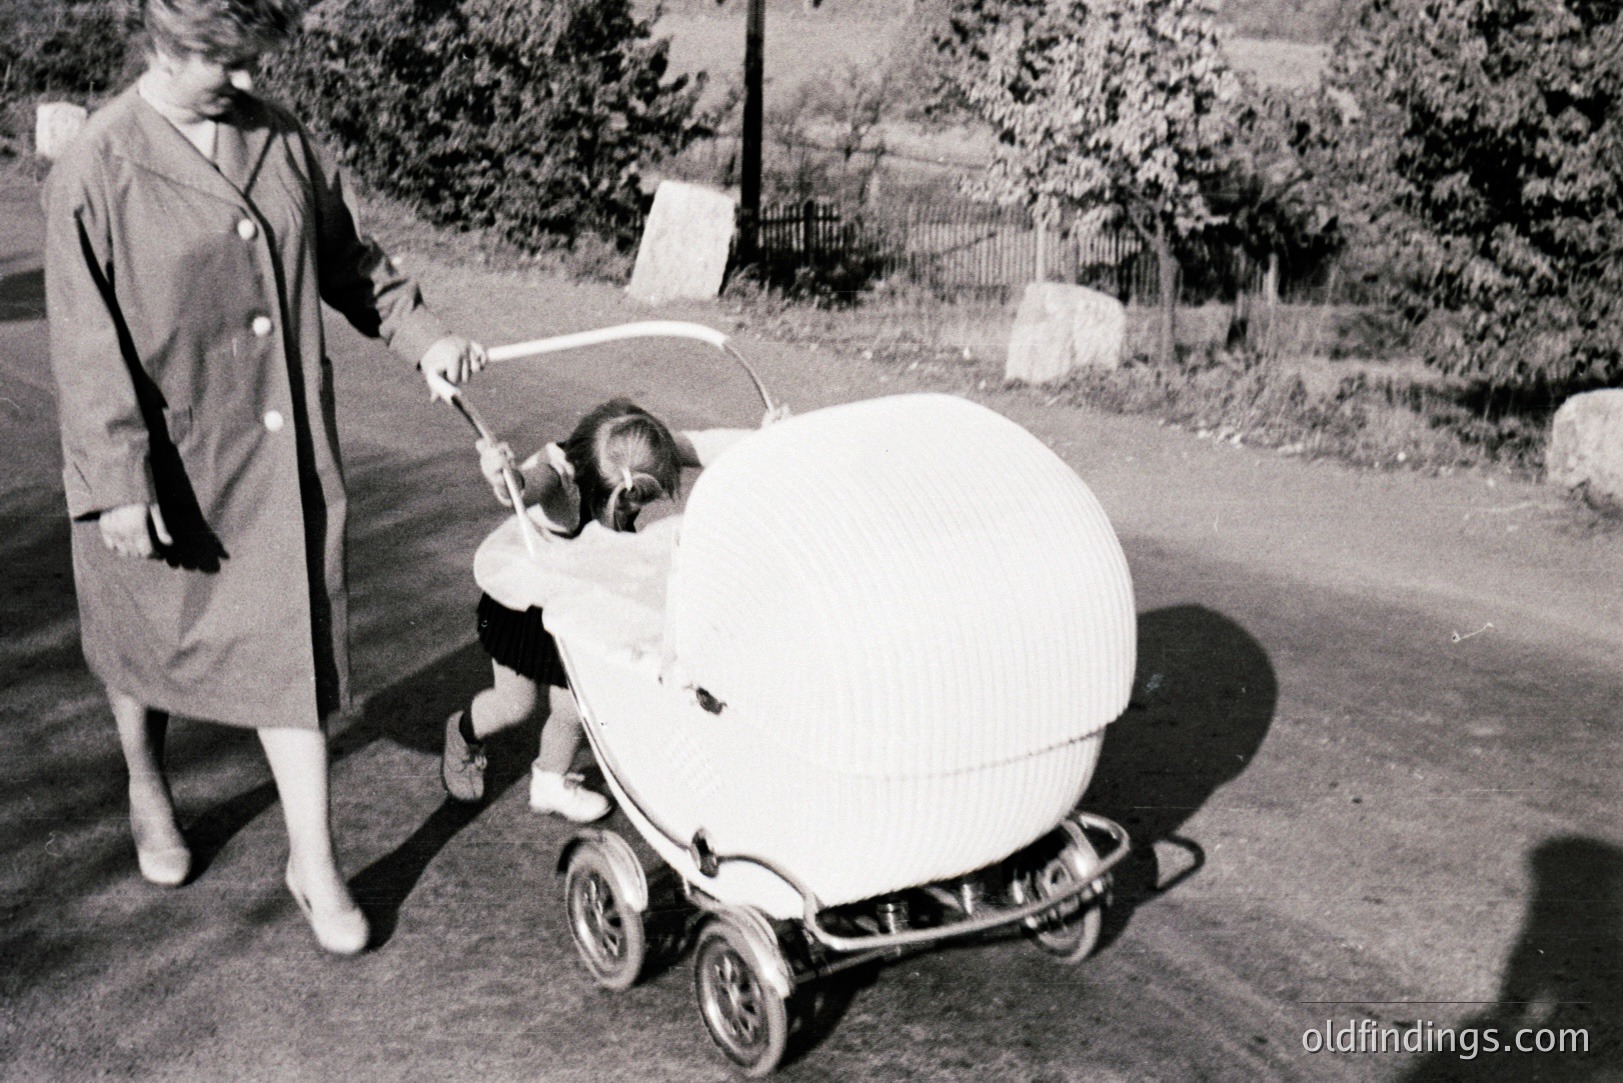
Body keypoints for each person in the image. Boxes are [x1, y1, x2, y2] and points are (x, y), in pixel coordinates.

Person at [43, 0, 487, 956]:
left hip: (273, 459)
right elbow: (84, 346)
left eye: (253, 60)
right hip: (164, 459)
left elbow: (345, 257)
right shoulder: (97, 166)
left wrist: (423, 334)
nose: (245, 83)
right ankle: (145, 782)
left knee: (291, 654)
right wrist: (117, 481)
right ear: (164, 41)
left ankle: (312, 861)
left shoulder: (276, 135)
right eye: (224, 61)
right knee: (142, 634)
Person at [442, 398, 778, 816]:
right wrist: (503, 475)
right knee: (515, 706)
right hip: (526, 605)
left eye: (639, 501)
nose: (631, 512)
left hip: (584, 600)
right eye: (625, 501)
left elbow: (702, 444)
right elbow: (521, 489)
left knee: (577, 704)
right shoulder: (560, 477)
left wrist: (768, 439)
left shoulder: (638, 446)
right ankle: (462, 731)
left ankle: (549, 780)